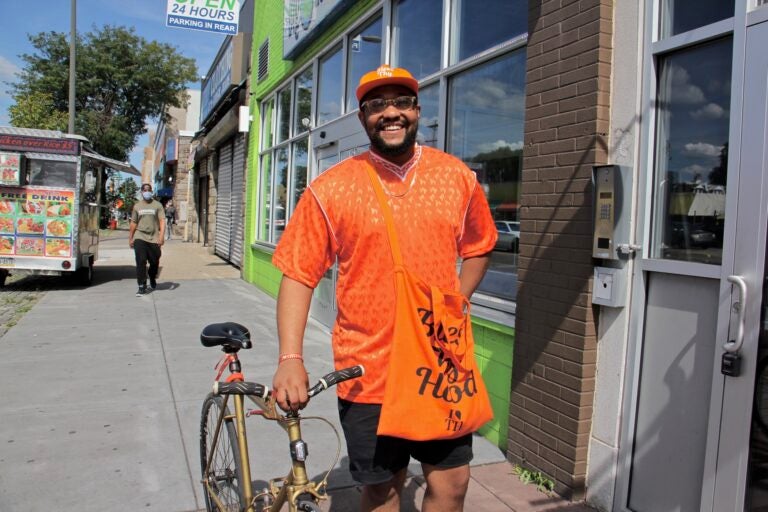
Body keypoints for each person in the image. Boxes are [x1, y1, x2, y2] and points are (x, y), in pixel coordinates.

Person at [271, 65, 497, 512]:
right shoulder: (330, 188)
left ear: (417, 110)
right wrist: (290, 359)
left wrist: (457, 302)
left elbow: (480, 246)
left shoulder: (457, 178)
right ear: (362, 118)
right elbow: (298, 273)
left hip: (439, 366)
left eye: (401, 103)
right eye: (377, 106)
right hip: (368, 372)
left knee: (452, 485)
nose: (390, 113)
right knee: (382, 490)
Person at [129, 183, 165, 296]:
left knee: (155, 261)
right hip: (140, 237)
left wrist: (161, 236)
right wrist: (131, 238)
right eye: (144, 190)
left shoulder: (157, 205)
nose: (147, 192)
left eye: (149, 190)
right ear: (141, 192)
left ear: (152, 191)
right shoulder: (137, 206)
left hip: (154, 237)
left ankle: (152, 276)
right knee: (141, 261)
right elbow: (133, 223)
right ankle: (141, 285)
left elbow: (162, 221)